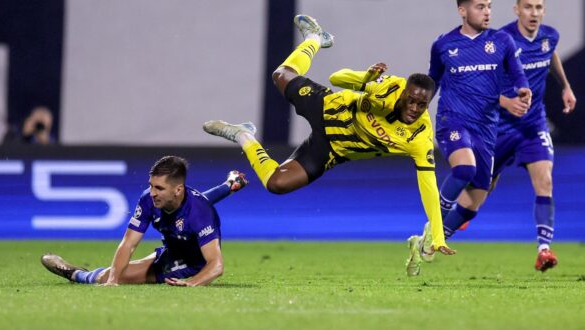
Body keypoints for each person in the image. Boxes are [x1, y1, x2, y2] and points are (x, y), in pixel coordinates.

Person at [202, 14, 456, 271]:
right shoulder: (388, 86)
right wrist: (365, 80)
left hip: (332, 150)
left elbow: (429, 186)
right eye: (411, 100)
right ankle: (314, 38)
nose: (414, 108)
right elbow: (337, 78)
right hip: (327, 108)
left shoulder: (420, 137)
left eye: (421, 104)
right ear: (403, 93)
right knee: (281, 74)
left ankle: (242, 135)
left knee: (277, 184)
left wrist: (438, 236)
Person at [417, 0, 576, 272]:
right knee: (472, 187)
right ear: (517, 10)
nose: (534, 13)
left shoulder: (544, 36)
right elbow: (447, 82)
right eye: (528, 7)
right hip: (493, 125)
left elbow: (545, 57)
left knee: (542, 182)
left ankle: (544, 249)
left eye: (539, 7)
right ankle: (435, 229)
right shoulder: (480, 41)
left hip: (530, 125)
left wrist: (563, 86)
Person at [405, 0, 533, 276]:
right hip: (453, 120)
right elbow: (432, 83)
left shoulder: (502, 40)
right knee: (464, 168)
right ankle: (434, 224)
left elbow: (517, 71)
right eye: (479, 6)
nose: (487, 11)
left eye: (489, 6)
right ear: (462, 11)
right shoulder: (443, 45)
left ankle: (427, 243)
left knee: (475, 200)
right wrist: (415, 114)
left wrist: (522, 89)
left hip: (486, 128)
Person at [41, 156, 248, 286]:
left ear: (177, 189)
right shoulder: (149, 200)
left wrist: (193, 283)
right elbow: (129, 243)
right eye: (151, 185)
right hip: (170, 251)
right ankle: (230, 184)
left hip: (192, 264)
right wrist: (113, 280)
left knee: (114, 276)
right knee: (113, 275)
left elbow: (216, 265)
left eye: (159, 188)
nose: (152, 193)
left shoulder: (201, 212)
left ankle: (76, 275)